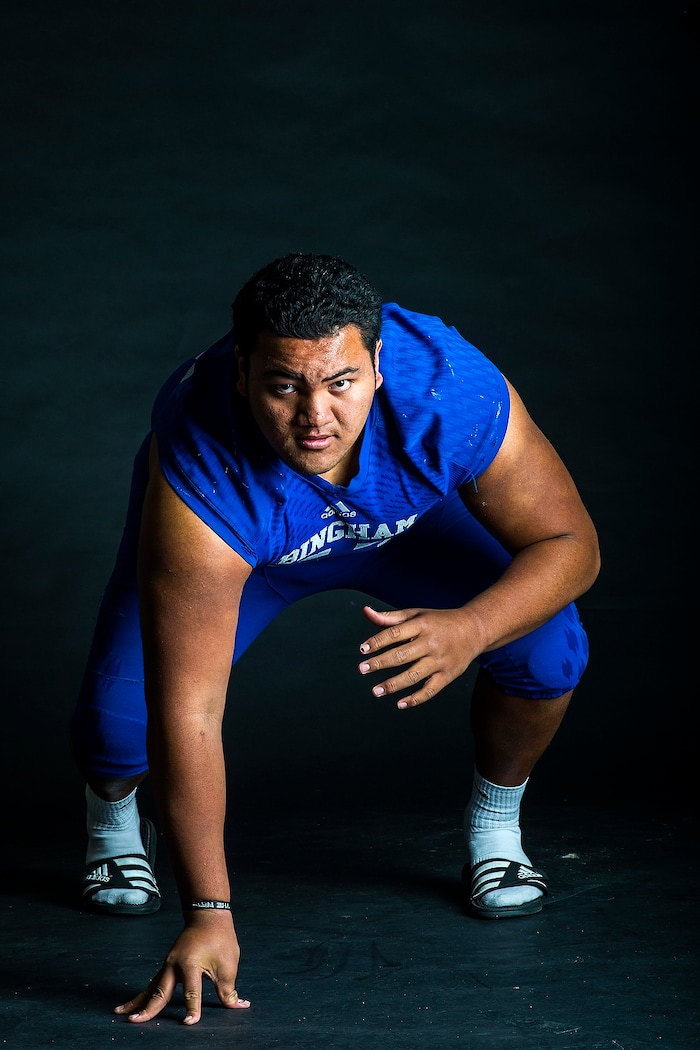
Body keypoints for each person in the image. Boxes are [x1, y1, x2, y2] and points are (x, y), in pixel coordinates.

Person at [70, 252, 600, 1026]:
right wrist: (209, 910)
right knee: (121, 730)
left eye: (341, 382)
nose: (316, 417)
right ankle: (112, 821)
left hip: (405, 531)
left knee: (546, 646)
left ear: (378, 366)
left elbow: (571, 543)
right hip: (254, 553)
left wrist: (473, 625)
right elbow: (192, 709)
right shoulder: (200, 460)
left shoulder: (450, 387)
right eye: (284, 386)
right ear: (243, 371)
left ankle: (494, 828)